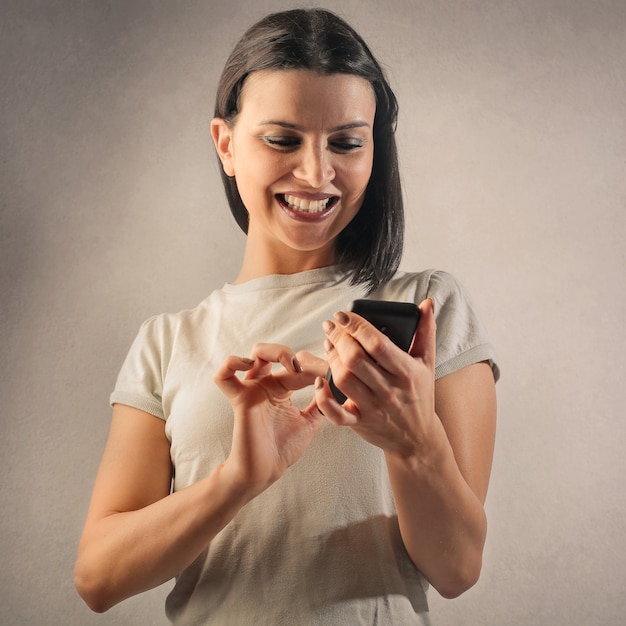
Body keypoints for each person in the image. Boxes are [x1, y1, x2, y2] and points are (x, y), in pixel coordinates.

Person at [74, 8, 499, 625]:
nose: (317, 173)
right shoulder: (167, 341)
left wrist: (413, 438)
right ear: (225, 144)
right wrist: (238, 478)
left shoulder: (428, 310)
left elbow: (456, 568)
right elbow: (98, 577)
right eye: (282, 139)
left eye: (347, 142)